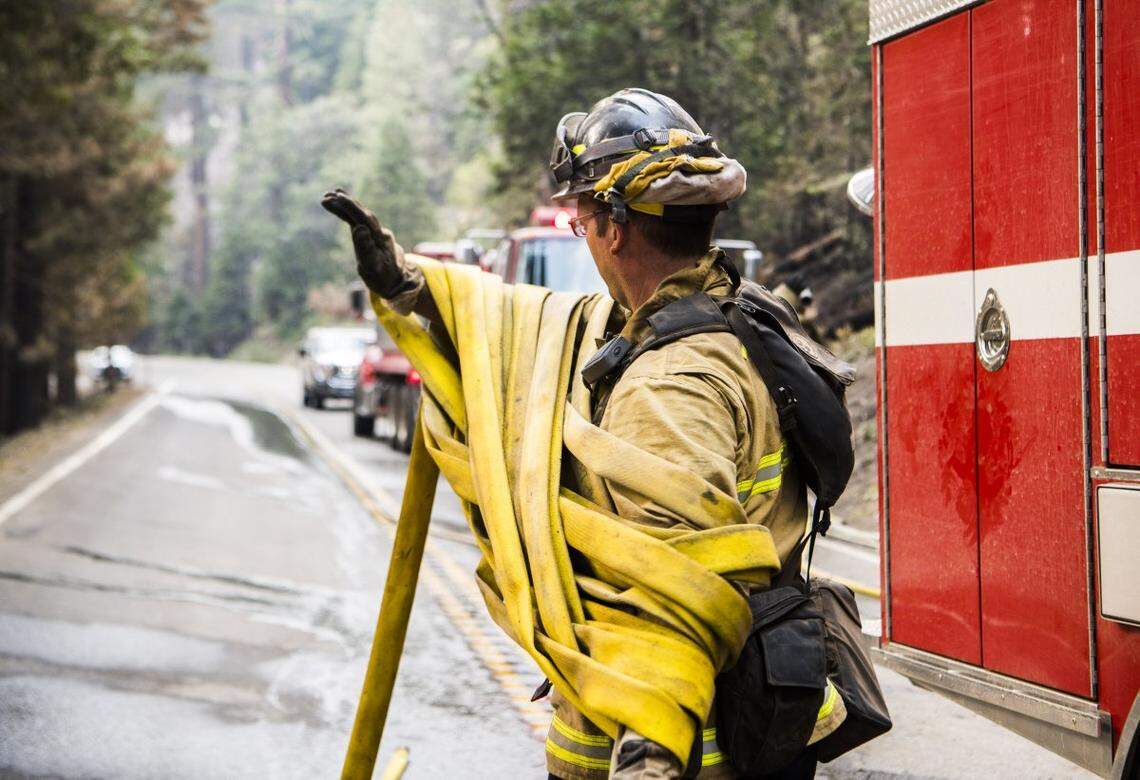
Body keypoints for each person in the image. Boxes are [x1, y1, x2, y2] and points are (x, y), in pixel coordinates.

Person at [324, 88, 824, 780]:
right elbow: (524, 318)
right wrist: (412, 282)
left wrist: (648, 755)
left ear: (615, 228)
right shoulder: (695, 319)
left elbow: (666, 598)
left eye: (580, 221)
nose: (583, 238)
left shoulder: (671, 386)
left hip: (677, 750)